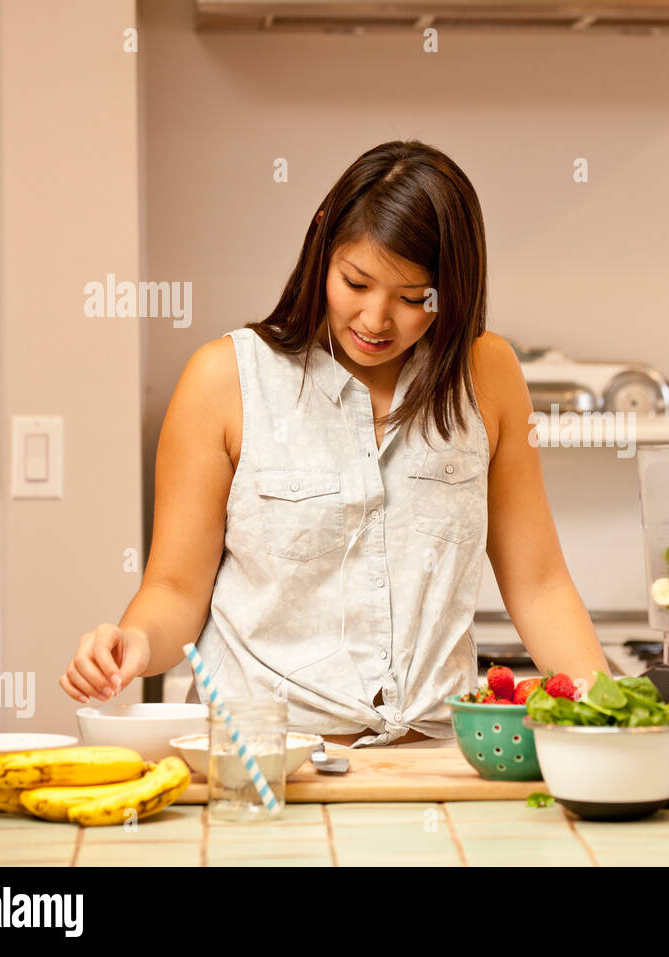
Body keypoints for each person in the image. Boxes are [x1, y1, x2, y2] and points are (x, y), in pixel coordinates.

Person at [59, 140, 611, 746]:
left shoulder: (488, 374)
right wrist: (133, 642)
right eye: (356, 282)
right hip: (263, 763)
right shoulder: (223, 380)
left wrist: (613, 715)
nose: (377, 320)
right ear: (322, 245)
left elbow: (539, 584)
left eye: (413, 298)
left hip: (431, 761)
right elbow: (174, 589)